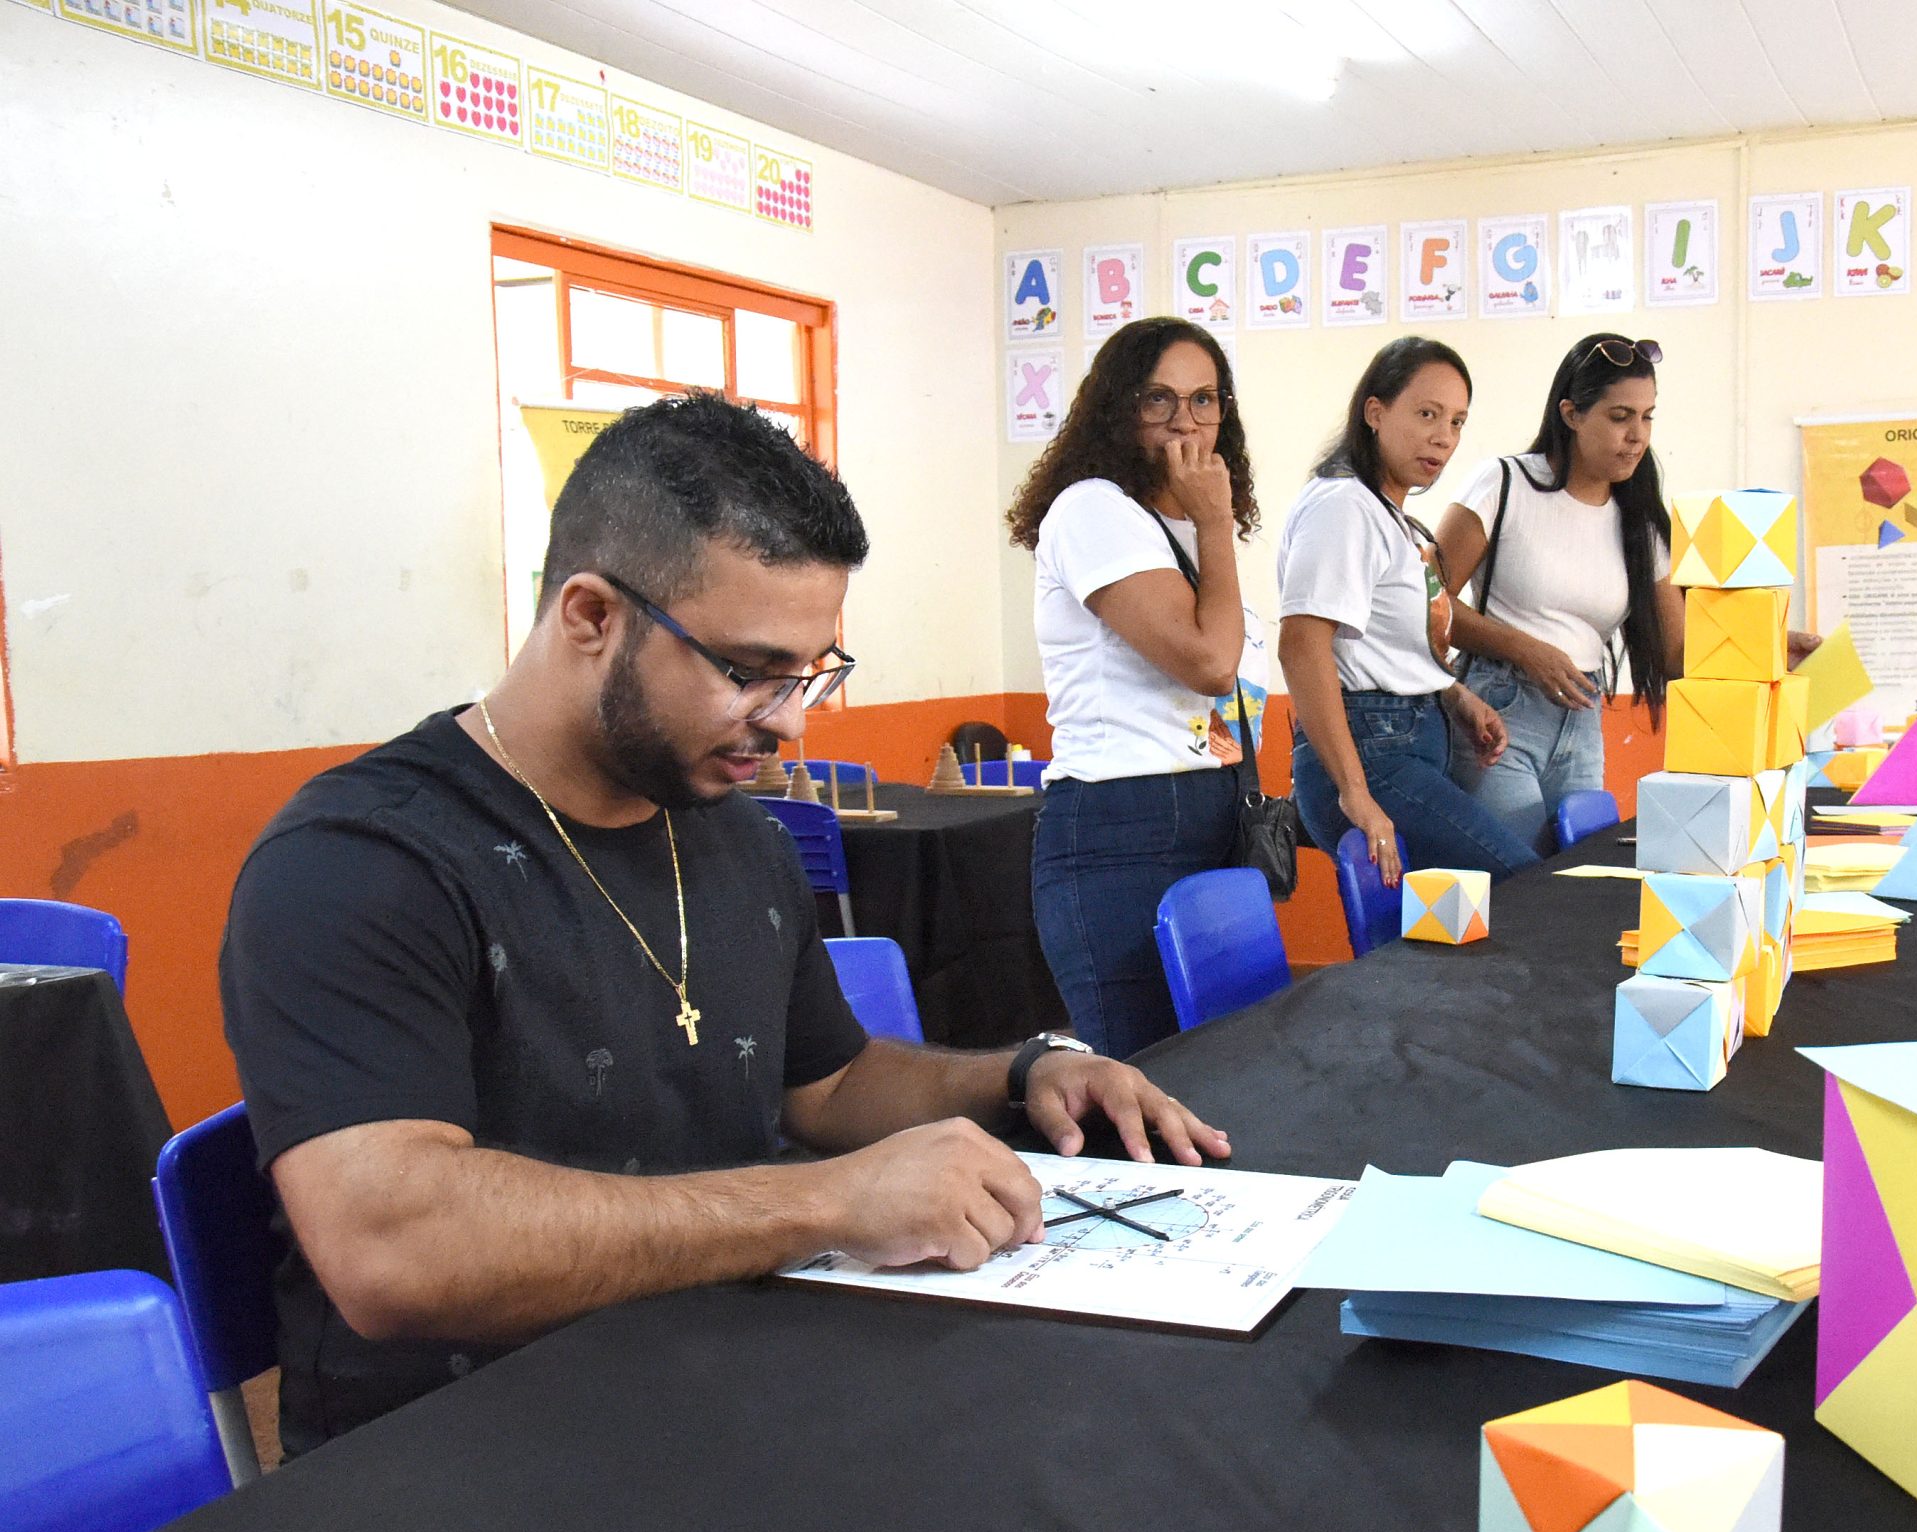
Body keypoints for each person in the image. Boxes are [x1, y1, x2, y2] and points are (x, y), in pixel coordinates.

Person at [220, 393, 1227, 1454]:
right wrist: (821, 1203)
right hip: (454, 1460)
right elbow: (393, 1247)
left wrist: (1022, 1073)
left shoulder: (735, 834)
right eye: (749, 672)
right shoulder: (364, 861)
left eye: (811, 673)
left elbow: (827, 1084)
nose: (788, 721)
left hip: (723, 1387)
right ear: (590, 617)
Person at [1009, 318, 1260, 1059]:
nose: (1186, 421)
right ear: (1119, 409)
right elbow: (1211, 664)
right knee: (1143, 1075)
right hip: (1122, 827)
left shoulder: (1173, 527)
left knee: (1219, 1067)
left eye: (1204, 399)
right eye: (1159, 399)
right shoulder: (1094, 508)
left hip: (1210, 805)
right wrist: (1216, 522)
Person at [1277, 336, 1534, 889]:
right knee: (1525, 888)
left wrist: (1454, 695)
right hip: (1372, 754)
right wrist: (1355, 793)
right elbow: (1301, 645)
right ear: (1375, 412)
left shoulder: (1386, 513)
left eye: (1457, 422)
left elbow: (1381, 645)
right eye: (1427, 414)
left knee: (1435, 933)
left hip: (1398, 741)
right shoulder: (1343, 506)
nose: (1444, 437)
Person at [1436, 334, 1683, 852]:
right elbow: (1428, 600)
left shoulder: (1641, 521)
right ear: (1571, 414)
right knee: (1516, 884)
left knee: (1574, 883)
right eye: (1620, 417)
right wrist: (1525, 649)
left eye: (1647, 417)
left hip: (1582, 718)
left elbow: (1676, 653)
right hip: (1499, 709)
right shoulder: (1505, 483)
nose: (1637, 436)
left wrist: (1766, 646)